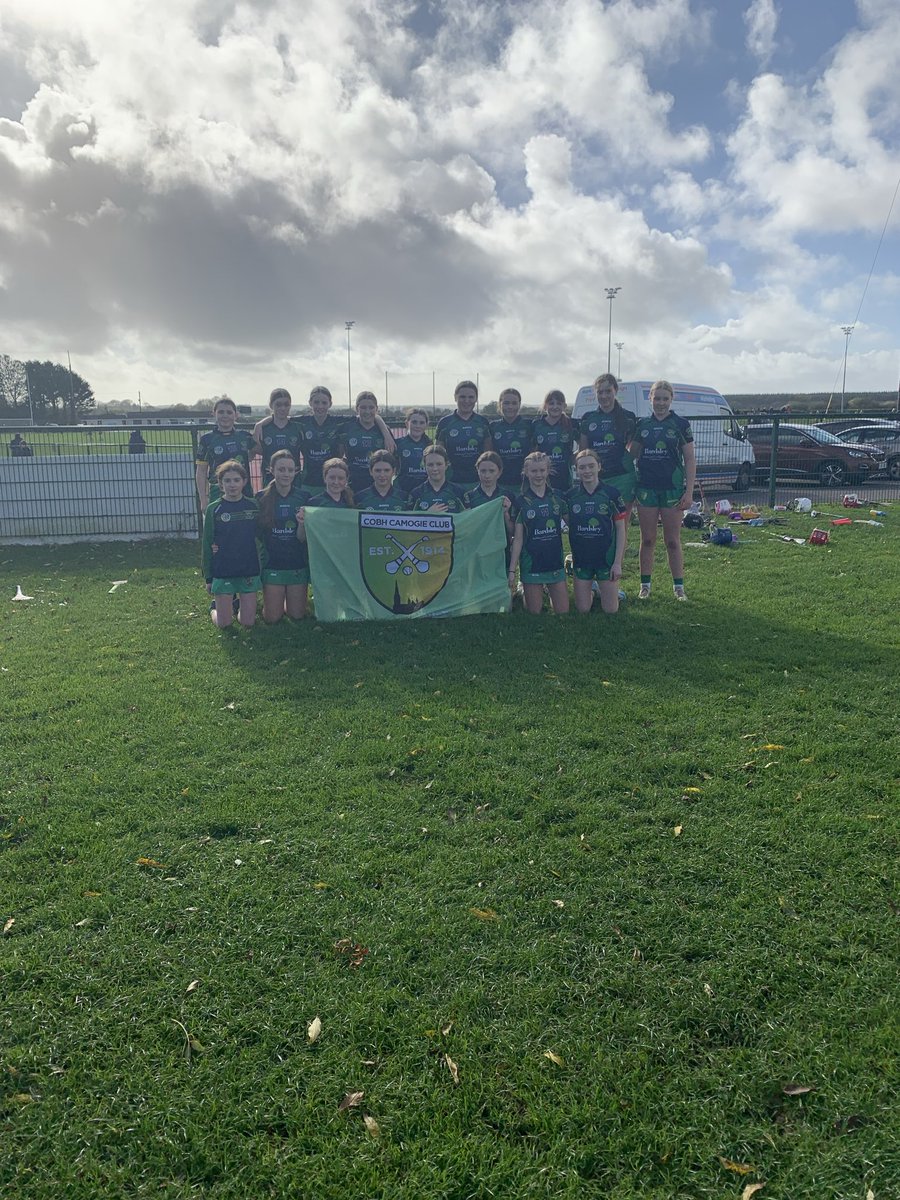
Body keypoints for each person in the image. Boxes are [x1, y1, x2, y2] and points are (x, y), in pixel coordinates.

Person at [628, 379, 696, 601]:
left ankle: (678, 588)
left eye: (665, 398)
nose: (661, 402)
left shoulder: (680, 424)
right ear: (651, 399)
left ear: (671, 399)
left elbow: (689, 459)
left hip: (672, 489)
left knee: (672, 541)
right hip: (646, 488)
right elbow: (632, 456)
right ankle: (645, 586)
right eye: (657, 398)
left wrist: (688, 492)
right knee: (647, 539)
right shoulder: (643, 425)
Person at [508, 451, 569, 614]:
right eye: (534, 471)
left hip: (554, 561)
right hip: (531, 563)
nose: (538, 475)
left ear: (548, 471)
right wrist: (512, 570)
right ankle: (523, 590)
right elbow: (518, 538)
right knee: (534, 613)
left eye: (542, 470)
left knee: (563, 612)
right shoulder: (520, 501)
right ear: (526, 473)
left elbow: (574, 526)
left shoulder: (558, 497)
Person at [201, 460, 261, 628]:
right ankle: (215, 609)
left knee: (248, 622)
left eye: (236, 480)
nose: (232, 484)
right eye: (227, 480)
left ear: (244, 482)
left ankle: (235, 605)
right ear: (220, 484)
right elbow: (207, 544)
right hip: (223, 568)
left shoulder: (253, 505)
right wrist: (208, 577)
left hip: (248, 568)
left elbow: (261, 537)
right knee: (224, 624)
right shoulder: (214, 509)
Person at [566, 449, 626, 614]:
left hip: (605, 559)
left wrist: (617, 563)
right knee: (583, 609)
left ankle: (607, 590)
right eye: (582, 467)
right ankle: (592, 588)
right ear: (576, 470)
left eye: (591, 466)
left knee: (611, 610)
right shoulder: (570, 497)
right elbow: (568, 522)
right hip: (582, 558)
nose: (587, 471)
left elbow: (621, 529)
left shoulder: (612, 494)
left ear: (599, 466)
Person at [256, 449, 311, 622]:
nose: (286, 474)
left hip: (297, 564)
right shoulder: (260, 498)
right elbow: (256, 535)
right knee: (272, 619)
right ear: (271, 470)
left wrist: (302, 523)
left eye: (290, 470)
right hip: (273, 564)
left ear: (296, 471)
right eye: (281, 469)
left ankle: (289, 599)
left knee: (297, 616)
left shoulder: (304, 497)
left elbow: (303, 538)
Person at [579, 373, 637, 513]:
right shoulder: (588, 418)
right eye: (600, 392)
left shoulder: (628, 417)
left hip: (623, 478)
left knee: (621, 526)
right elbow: (583, 451)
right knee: (600, 524)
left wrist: (625, 461)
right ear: (596, 393)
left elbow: (634, 448)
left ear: (615, 390)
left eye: (608, 391)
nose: (604, 396)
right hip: (596, 478)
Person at [195, 397, 256, 514]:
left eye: (229, 412)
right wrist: (203, 499)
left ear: (236, 415)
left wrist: (250, 456)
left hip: (244, 491)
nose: (225, 415)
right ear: (214, 414)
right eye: (221, 412)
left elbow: (260, 448)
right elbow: (201, 471)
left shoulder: (244, 436)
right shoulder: (207, 439)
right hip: (217, 492)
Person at [435, 380, 492, 485]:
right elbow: (438, 453)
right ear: (455, 397)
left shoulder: (483, 422)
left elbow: (488, 453)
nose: (467, 401)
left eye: (471, 397)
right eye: (462, 397)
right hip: (451, 480)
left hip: (478, 480)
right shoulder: (445, 423)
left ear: (476, 399)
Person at [339, 391, 396, 493]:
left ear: (377, 409)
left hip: (378, 486)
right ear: (357, 409)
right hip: (353, 484)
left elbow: (391, 459)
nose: (367, 411)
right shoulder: (347, 427)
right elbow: (339, 455)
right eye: (363, 407)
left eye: (371, 407)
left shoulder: (384, 431)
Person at [296, 385, 343, 493]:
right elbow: (280, 418)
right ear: (310, 403)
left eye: (324, 403)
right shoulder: (302, 422)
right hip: (308, 482)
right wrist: (259, 425)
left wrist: (384, 430)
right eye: (316, 402)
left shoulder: (337, 422)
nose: (320, 406)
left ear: (330, 404)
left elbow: (365, 417)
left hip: (332, 483)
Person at [253, 387, 303, 484]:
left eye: (286, 404)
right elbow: (255, 450)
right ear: (271, 405)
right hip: (269, 478)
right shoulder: (263, 428)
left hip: (293, 479)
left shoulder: (298, 427)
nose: (283, 408)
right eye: (278, 405)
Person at [532, 390, 578, 491]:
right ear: (545, 406)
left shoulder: (572, 424)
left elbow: (583, 446)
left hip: (564, 476)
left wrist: (572, 458)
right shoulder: (536, 425)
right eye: (551, 403)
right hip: (541, 476)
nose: (555, 406)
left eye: (559, 403)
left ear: (564, 406)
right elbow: (532, 450)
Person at [489, 388, 532, 486]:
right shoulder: (493, 427)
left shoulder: (529, 425)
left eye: (514, 403)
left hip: (525, 483)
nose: (510, 407)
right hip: (500, 483)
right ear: (500, 404)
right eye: (506, 403)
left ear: (519, 404)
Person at [407, 443, 467, 512]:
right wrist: (428, 515)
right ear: (424, 466)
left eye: (439, 464)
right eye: (430, 465)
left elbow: (468, 519)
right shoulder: (416, 494)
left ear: (446, 465)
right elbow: (409, 520)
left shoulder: (459, 492)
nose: (435, 468)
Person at [393, 408, 433, 494]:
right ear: (407, 423)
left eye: (422, 423)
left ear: (426, 425)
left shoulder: (431, 445)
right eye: (414, 422)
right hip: (402, 490)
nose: (418, 426)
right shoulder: (397, 444)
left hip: (425, 491)